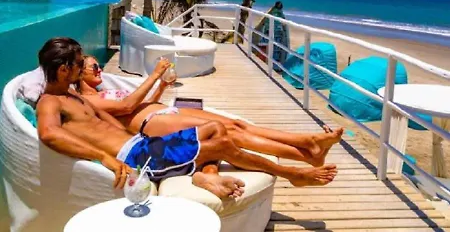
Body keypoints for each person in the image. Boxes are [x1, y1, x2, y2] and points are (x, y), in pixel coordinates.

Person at [37, 37, 338, 199]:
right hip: (137, 158)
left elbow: (111, 121)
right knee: (222, 143)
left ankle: (205, 174)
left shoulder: (74, 96)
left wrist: (147, 138)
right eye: (78, 64)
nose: (82, 68)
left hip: (144, 145)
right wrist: (105, 157)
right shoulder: (50, 102)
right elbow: (49, 134)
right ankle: (291, 173)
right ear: (63, 69)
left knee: (215, 128)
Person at [77, 55, 343, 167]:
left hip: (163, 111)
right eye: (94, 67)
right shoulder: (88, 101)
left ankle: (308, 142)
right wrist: (155, 74)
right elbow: (126, 107)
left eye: (99, 66)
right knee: (231, 135)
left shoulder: (102, 92)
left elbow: (139, 104)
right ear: (79, 73)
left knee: (237, 124)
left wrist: (162, 86)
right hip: (153, 124)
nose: (99, 70)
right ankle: (306, 156)